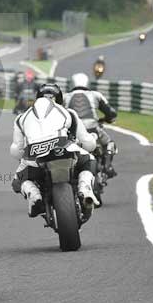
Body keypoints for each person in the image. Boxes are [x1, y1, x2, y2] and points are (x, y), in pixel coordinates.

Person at [9, 84, 99, 217]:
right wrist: (86, 143)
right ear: (60, 99)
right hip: (65, 149)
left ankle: (34, 196)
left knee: (18, 179)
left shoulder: (21, 118)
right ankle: (84, 188)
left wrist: (26, 154)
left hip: (35, 156)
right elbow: (89, 144)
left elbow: (16, 150)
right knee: (89, 160)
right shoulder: (69, 113)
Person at [65, 73, 118, 177]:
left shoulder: (65, 97)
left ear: (71, 84)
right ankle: (108, 166)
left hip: (73, 130)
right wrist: (107, 119)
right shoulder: (96, 95)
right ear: (87, 83)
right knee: (110, 143)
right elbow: (111, 113)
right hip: (93, 128)